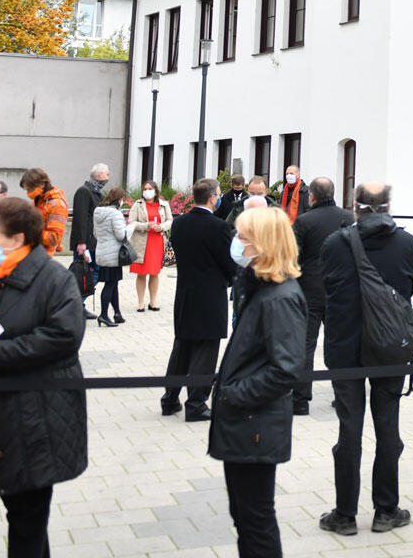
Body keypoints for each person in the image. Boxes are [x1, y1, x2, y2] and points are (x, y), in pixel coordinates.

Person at [0, 195, 88, 558]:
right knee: (22, 515)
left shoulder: (53, 279)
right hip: (0, 416)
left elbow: (63, 337)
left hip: (37, 417)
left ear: (17, 239)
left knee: (27, 519)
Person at [319, 182, 413, 536]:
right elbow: (407, 289)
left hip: (345, 348)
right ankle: (386, 511)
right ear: (388, 206)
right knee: (388, 429)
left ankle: (345, 515)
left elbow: (327, 289)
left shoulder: (335, 243)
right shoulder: (406, 243)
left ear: (355, 207)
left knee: (349, 431)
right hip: (389, 347)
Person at [209, 206, 307, 558]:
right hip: (246, 423)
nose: (236, 244)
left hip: (254, 423)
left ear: (263, 244)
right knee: (245, 516)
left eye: (243, 238)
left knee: (256, 518)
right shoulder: (260, 288)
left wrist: (234, 394)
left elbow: (287, 369)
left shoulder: (280, 298)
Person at [164, 178, 241, 422]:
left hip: (185, 292)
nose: (219, 198)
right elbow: (229, 263)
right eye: (218, 194)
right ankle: (196, 403)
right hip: (210, 295)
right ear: (211, 197)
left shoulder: (179, 224)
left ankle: (169, 399)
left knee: (182, 347)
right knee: (205, 350)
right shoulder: (217, 227)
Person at [290, 176, 351, 416]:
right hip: (341, 289)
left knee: (305, 344)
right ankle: (343, 395)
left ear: (311, 196)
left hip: (310, 288)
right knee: (340, 344)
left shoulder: (304, 221)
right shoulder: (348, 218)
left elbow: (292, 256)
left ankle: (300, 400)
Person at [71, 163, 109, 320]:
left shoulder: (95, 192)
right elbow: (80, 218)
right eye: (107, 174)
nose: (108, 178)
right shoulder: (84, 192)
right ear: (99, 175)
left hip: (94, 241)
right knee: (85, 274)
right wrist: (81, 243)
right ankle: (75, 305)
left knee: (92, 273)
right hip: (86, 242)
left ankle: (79, 305)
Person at [129, 178, 172, 312]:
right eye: (145, 189)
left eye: (150, 189)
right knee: (141, 273)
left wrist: (163, 226)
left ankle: (153, 301)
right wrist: (145, 226)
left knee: (154, 273)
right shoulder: (137, 204)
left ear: (155, 191)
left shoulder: (164, 204)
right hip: (142, 242)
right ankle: (141, 302)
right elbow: (131, 222)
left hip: (158, 241)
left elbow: (170, 220)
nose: (147, 191)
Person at [91, 185, 131, 327]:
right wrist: (130, 228)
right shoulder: (115, 214)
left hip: (102, 252)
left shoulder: (98, 211)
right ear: (119, 199)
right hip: (114, 255)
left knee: (113, 284)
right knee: (110, 285)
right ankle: (103, 315)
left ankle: (117, 313)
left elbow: (96, 233)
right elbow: (121, 235)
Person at [17, 169, 68, 255]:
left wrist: (29, 232)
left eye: (30, 189)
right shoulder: (39, 200)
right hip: (30, 251)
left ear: (42, 184)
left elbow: (54, 239)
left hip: (42, 255)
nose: (29, 193)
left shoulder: (57, 204)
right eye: (27, 190)